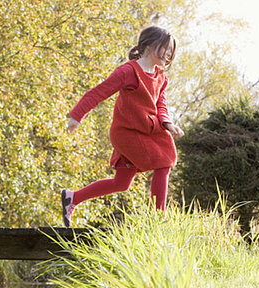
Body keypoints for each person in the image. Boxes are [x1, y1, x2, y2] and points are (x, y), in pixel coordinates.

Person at [61, 25, 184, 227]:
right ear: (150, 45)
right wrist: (77, 115)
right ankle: (158, 220)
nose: (169, 54)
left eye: (171, 51)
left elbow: (160, 104)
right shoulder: (128, 71)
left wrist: (168, 123)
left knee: (121, 183)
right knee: (165, 159)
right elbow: (99, 92)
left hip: (148, 130)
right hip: (127, 133)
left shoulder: (160, 77)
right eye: (165, 48)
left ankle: (72, 198)